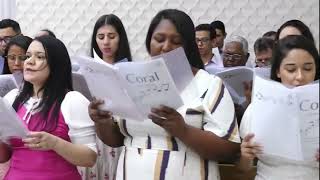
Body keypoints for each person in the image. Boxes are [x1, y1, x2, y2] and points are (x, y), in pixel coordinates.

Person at [89, 9, 240, 180]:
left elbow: (230, 150)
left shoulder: (209, 85)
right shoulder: (130, 79)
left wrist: (183, 130)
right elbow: (117, 139)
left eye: (176, 41)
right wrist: (101, 122)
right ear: (149, 42)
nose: (166, 47)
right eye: (159, 39)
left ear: (188, 45)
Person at [0, 36, 97, 180]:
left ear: (56, 64)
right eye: (27, 56)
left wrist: (55, 143)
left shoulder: (72, 100)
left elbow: (89, 158)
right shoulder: (12, 98)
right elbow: (4, 156)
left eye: (39, 57)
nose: (29, 61)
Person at [239, 35, 319, 180]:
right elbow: (244, 168)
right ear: (277, 71)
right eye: (291, 69)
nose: (300, 77)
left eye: (308, 68)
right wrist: (246, 155)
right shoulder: (258, 109)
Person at [83, 13, 132, 180]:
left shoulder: (130, 71)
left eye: (111, 36)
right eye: (100, 36)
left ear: (120, 38)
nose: (105, 42)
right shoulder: (85, 70)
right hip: (91, 134)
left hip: (117, 135)